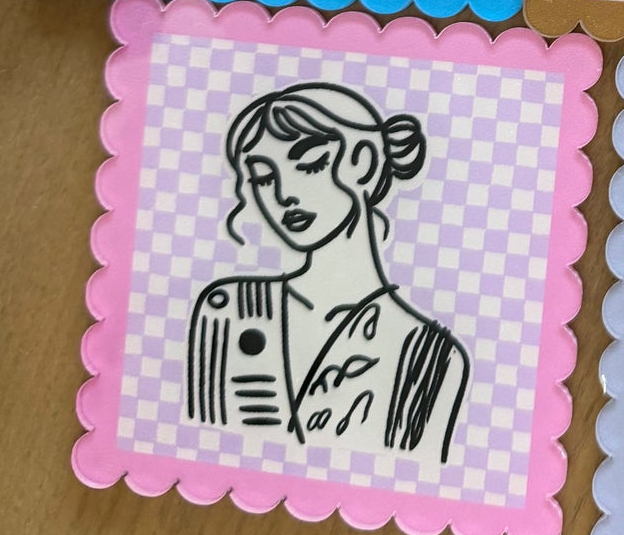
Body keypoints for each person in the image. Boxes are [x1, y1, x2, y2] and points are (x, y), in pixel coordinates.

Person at [187, 82, 469, 458]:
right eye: (263, 178)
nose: (283, 195)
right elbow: (200, 447)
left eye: (309, 162)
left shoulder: (430, 358)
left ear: (364, 164)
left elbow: (415, 472)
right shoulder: (230, 310)